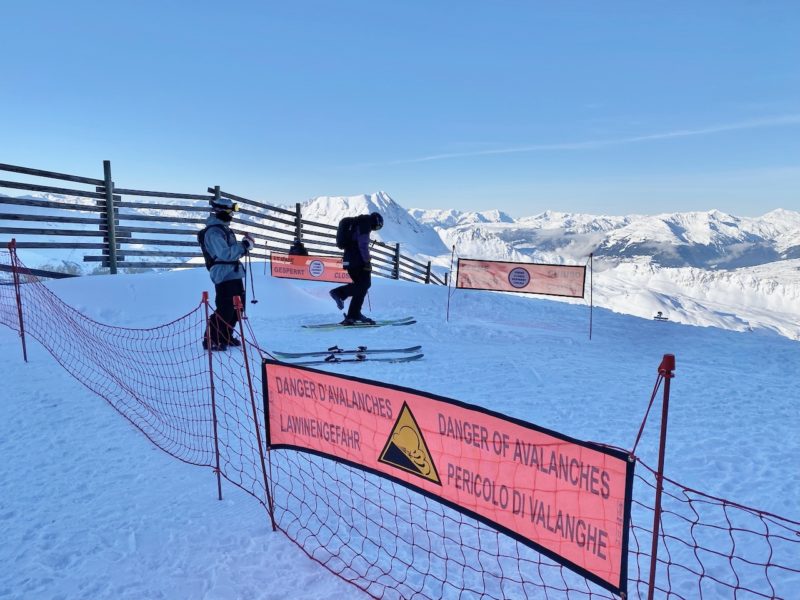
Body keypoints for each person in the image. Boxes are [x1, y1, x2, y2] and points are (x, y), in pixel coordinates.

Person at [199, 198, 255, 350]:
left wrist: (243, 245)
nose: (232, 215)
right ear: (221, 211)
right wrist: (244, 246)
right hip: (223, 275)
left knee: (238, 309)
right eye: (230, 211)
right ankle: (212, 340)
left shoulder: (224, 229)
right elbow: (225, 254)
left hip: (234, 273)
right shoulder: (213, 232)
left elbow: (231, 253)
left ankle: (226, 336)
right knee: (225, 308)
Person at [329, 211, 383, 325]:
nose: (375, 229)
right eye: (377, 227)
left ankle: (353, 315)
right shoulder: (365, 223)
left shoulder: (355, 224)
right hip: (358, 261)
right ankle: (339, 293)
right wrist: (367, 261)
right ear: (376, 222)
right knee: (364, 285)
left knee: (361, 287)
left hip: (349, 260)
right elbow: (362, 245)